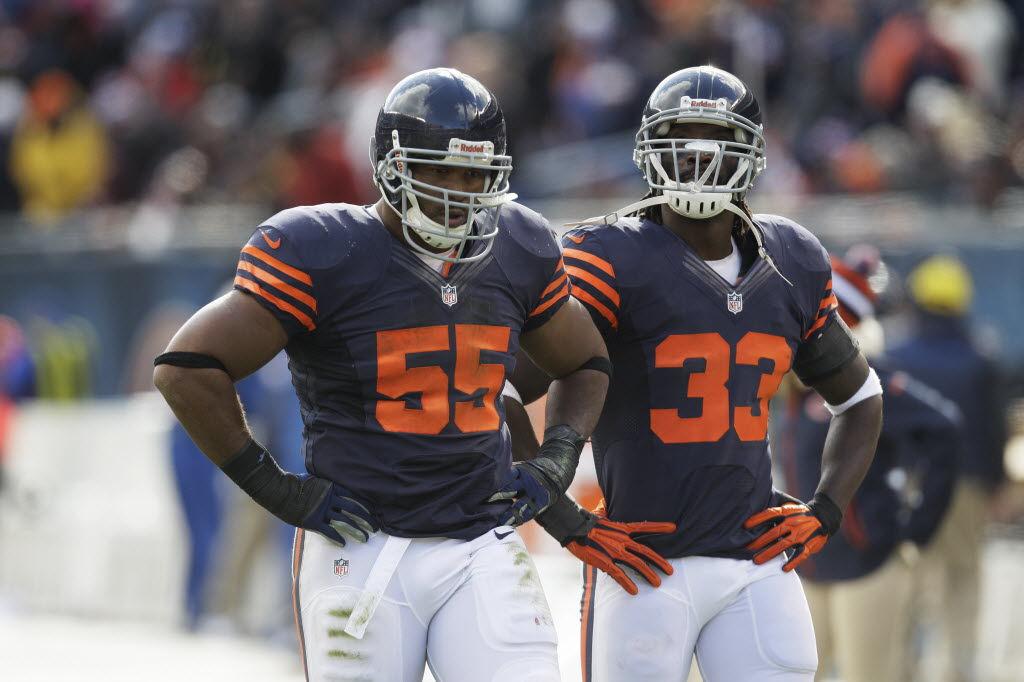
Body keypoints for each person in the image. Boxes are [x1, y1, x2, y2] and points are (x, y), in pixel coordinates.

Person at [154, 68, 610, 682]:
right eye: (437, 170)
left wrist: (556, 459)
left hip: (480, 542)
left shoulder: (519, 245)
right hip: (360, 547)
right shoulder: (326, 248)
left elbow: (584, 361)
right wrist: (275, 487)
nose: (456, 191)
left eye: (471, 174)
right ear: (391, 166)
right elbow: (186, 367)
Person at [508, 66, 883, 681]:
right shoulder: (607, 255)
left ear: (752, 152)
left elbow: (861, 397)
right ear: (652, 146)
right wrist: (560, 517)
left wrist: (827, 509)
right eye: (682, 137)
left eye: (717, 138)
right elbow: (499, 389)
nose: (699, 156)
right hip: (644, 565)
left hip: (757, 566)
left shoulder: (792, 257)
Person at [775, 249, 960, 682]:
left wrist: (917, 528)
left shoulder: (866, 382)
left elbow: (944, 428)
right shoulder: (792, 388)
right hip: (809, 566)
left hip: (866, 564)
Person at [886, 254, 1008, 682]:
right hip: (967, 483)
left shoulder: (896, 355)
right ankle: (960, 667)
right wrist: (998, 483)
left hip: (910, 482)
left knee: (911, 576)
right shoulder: (980, 357)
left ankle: (903, 668)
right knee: (963, 575)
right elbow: (994, 430)